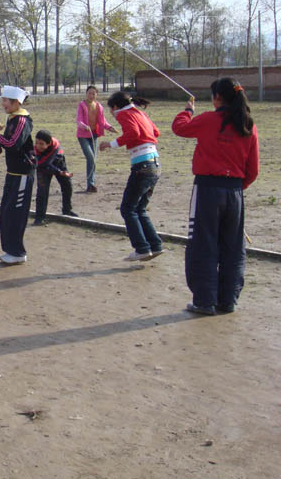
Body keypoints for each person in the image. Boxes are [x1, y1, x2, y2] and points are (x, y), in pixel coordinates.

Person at [172, 78, 260, 316]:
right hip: (235, 192)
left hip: (208, 189)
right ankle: (228, 300)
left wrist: (187, 110)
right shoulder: (248, 124)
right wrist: (236, 188)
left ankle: (204, 301)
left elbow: (179, 127)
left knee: (203, 244)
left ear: (217, 97)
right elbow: (253, 169)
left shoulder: (208, 120)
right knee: (233, 247)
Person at [99, 91, 163, 262]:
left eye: (111, 110)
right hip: (155, 164)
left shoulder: (123, 114)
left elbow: (133, 133)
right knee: (139, 209)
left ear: (115, 107)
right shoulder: (140, 113)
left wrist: (110, 144)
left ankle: (142, 248)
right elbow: (156, 132)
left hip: (142, 166)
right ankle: (155, 245)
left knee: (127, 209)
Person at [0, 86, 35, 265]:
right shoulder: (12, 118)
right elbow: (6, 145)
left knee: (16, 214)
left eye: (6, 100)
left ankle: (17, 252)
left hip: (23, 174)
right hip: (12, 173)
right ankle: (10, 250)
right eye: (3, 100)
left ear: (17, 102)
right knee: (6, 211)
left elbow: (13, 143)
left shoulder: (22, 120)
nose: (3, 103)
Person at [76, 85, 117, 193]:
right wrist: (84, 126)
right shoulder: (82, 105)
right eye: (89, 93)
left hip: (94, 135)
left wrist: (110, 128)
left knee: (93, 160)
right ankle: (91, 183)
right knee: (91, 158)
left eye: (93, 93)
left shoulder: (99, 106)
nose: (91, 95)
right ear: (86, 94)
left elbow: (102, 121)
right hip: (83, 136)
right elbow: (79, 120)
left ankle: (90, 185)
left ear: (96, 95)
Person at [33, 130, 77, 225]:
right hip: (43, 167)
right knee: (42, 191)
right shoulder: (35, 151)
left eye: (41, 144)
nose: (38, 146)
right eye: (36, 142)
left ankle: (67, 210)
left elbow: (50, 162)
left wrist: (61, 172)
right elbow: (43, 164)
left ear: (49, 143)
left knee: (67, 185)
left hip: (58, 162)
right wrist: (59, 172)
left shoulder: (55, 146)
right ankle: (39, 217)